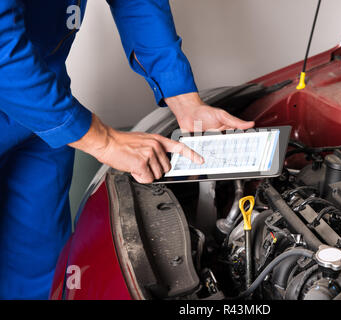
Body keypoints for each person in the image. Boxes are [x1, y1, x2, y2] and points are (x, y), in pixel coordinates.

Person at [0, 0, 253, 299]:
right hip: (43, 106)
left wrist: (182, 98)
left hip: (47, 115)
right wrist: (103, 140)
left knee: (40, 271)